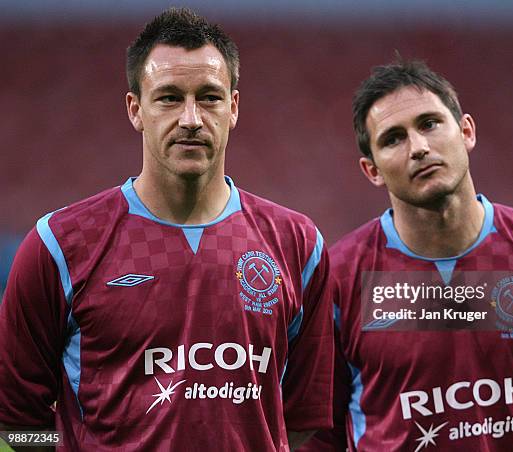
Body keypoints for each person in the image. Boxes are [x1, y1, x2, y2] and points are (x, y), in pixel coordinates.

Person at [0, 8, 334, 451]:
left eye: (210, 97)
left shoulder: (298, 245)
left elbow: (303, 419)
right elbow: (13, 422)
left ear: (233, 107)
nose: (192, 118)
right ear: (136, 109)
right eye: (170, 97)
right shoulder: (60, 246)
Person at [302, 60, 513, 451]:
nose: (419, 147)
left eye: (429, 123)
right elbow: (318, 436)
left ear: (466, 131)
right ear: (372, 170)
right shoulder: (337, 281)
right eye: (393, 138)